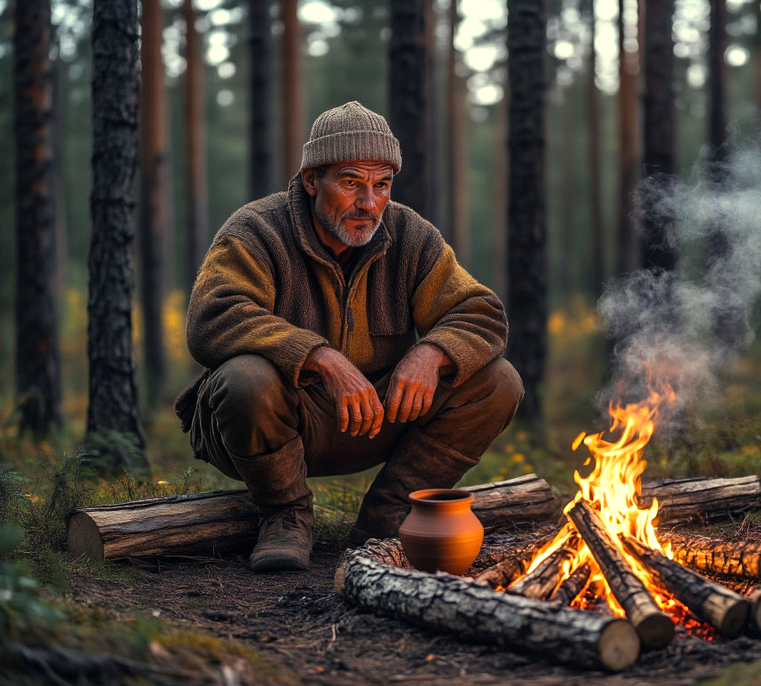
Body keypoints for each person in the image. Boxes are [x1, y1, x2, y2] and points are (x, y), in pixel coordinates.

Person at [174, 101, 522, 573]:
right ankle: (285, 514)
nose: (369, 202)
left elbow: (480, 312)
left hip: (376, 416)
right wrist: (320, 357)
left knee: (499, 380)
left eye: (382, 185)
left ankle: (387, 520)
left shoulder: (410, 234)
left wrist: (430, 352)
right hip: (273, 421)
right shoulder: (256, 229)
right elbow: (211, 317)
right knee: (246, 378)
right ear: (312, 179)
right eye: (352, 182)